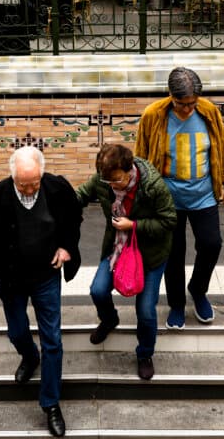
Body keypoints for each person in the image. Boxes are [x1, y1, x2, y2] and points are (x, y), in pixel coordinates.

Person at [0, 146, 82, 437]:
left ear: (42, 173)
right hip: (11, 279)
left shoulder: (57, 188)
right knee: (17, 331)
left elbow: (74, 218)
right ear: (12, 177)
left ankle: (51, 404)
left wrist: (67, 247)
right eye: (24, 184)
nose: (31, 189)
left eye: (35, 182)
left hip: (46, 275)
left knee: (53, 340)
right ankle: (29, 356)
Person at [135, 67, 224, 330]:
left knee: (211, 244)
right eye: (183, 104)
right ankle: (177, 305)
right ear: (171, 96)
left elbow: (222, 150)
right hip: (167, 198)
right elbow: (141, 159)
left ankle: (198, 289)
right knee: (173, 253)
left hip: (203, 194)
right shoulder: (153, 115)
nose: (188, 109)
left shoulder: (209, 112)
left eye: (192, 103)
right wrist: (143, 196)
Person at [75, 143, 176, 380]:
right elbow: (79, 196)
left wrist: (134, 225)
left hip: (149, 254)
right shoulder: (104, 180)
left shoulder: (152, 185)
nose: (112, 186)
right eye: (107, 182)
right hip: (117, 249)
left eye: (117, 181)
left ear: (129, 169)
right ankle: (110, 319)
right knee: (98, 291)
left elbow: (170, 220)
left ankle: (144, 354)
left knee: (146, 311)